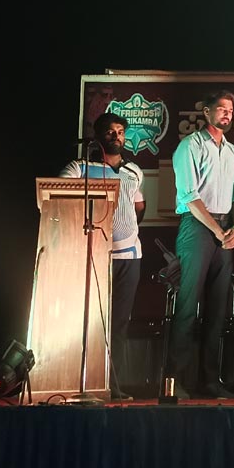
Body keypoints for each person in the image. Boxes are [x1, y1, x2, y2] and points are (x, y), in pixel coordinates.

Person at [59, 111, 145, 401]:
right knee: (91, 321)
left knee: (118, 323)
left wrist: (123, 228)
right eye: (110, 131)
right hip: (93, 255)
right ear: (98, 136)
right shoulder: (80, 168)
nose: (116, 136)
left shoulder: (134, 171)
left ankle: (112, 384)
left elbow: (139, 207)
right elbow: (58, 194)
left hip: (129, 255)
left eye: (120, 132)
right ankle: (85, 382)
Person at [168, 89, 234, 400]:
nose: (227, 114)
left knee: (218, 310)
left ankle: (210, 382)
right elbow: (189, 195)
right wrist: (217, 230)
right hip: (197, 226)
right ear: (206, 112)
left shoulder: (232, 151)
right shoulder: (190, 146)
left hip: (224, 228)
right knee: (188, 308)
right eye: (221, 109)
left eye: (230, 110)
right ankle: (175, 381)